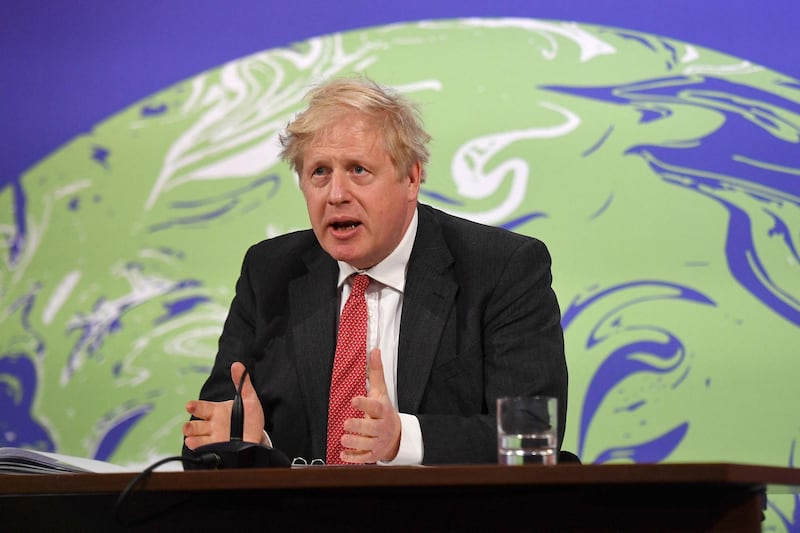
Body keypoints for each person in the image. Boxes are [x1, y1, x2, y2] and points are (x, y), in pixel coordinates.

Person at [182, 76, 568, 465]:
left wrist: (404, 440)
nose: (336, 194)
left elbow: (530, 438)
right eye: (319, 172)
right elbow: (203, 440)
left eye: (358, 170)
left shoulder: (502, 268)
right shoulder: (269, 274)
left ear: (412, 177)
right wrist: (249, 444)